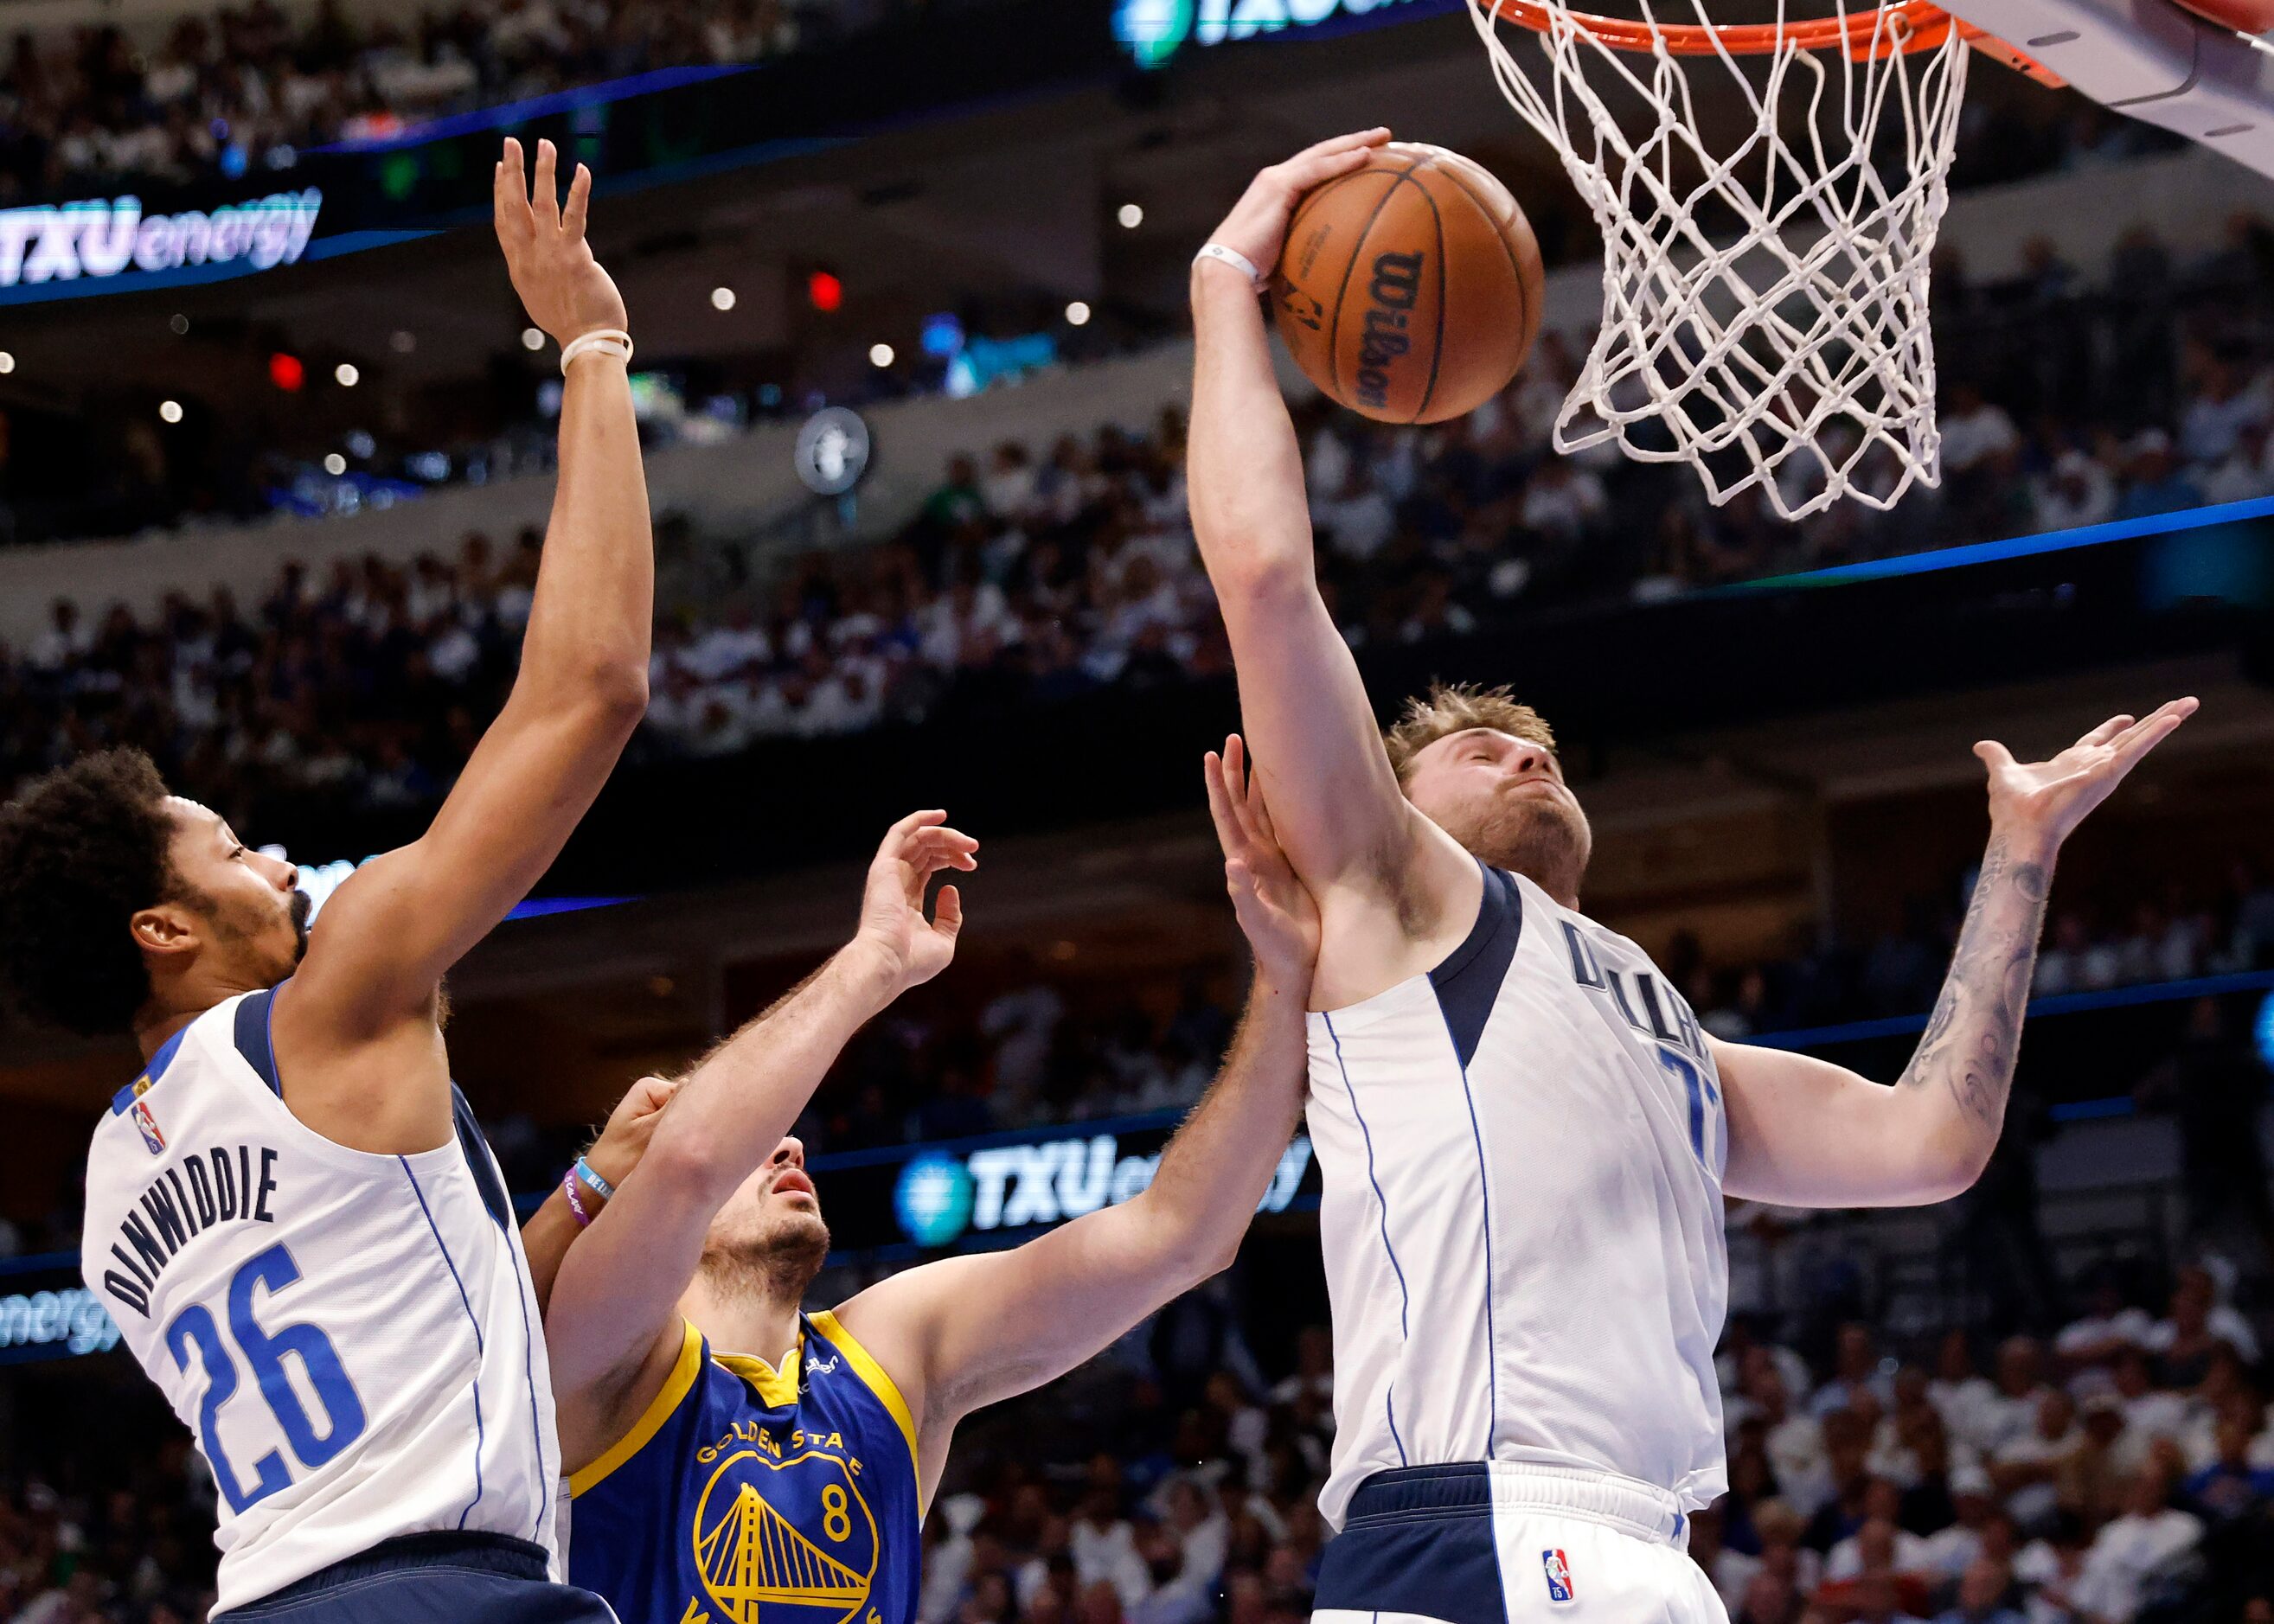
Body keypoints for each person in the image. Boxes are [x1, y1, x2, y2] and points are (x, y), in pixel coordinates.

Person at [1183, 124, 2200, 1624]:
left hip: (1646, 1546)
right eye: (1474, 750)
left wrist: (2015, 855)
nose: (1524, 758)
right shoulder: (1395, 905)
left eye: (1538, 748)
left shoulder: (1651, 1016)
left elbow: (1929, 1142)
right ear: (1386, 812)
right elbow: (1267, 577)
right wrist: (1224, 274)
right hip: (1471, 1523)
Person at [0, 138, 645, 1621]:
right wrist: (593, 348)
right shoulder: (337, 993)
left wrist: (590, 1190)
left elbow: (399, 1320)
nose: (282, 861)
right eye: (234, 849)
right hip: (447, 1595)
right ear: (162, 927)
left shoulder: (109, 1194)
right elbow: (590, 690)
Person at [533, 740, 1318, 1624]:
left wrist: (1284, 979)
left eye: (783, 1136)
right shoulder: (598, 1356)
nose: (787, 1144)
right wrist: (874, 962)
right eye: (753, 1140)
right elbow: (685, 1162)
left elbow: (1183, 1234)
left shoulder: (890, 1349)